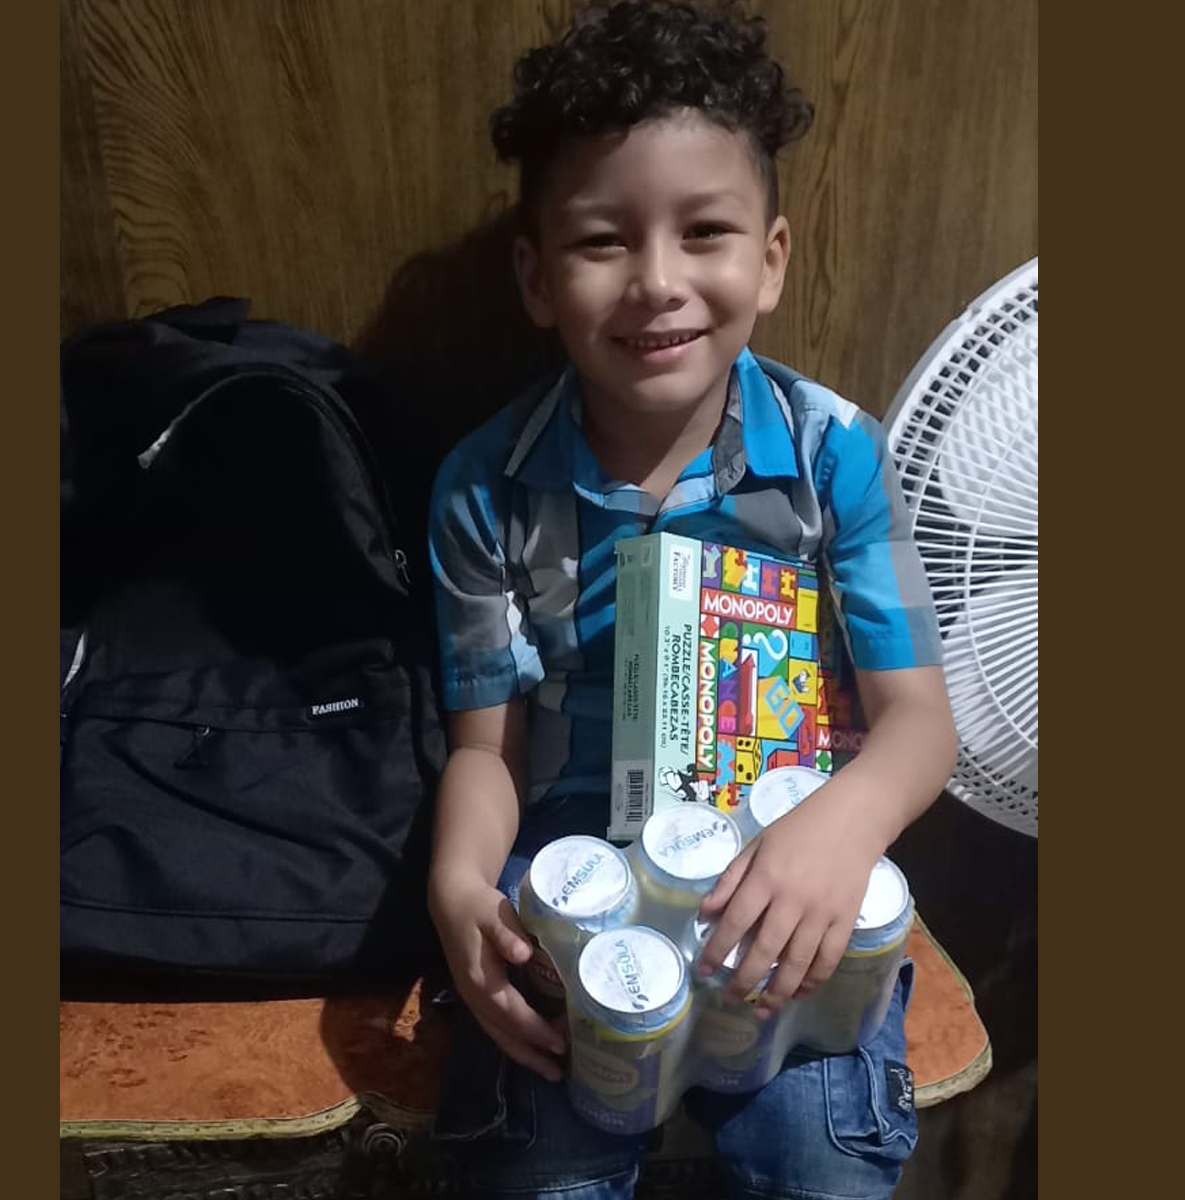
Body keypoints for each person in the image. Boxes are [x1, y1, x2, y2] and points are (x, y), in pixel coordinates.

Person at [424, 2, 957, 1196]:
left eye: (704, 231)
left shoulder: (835, 456)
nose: (657, 283)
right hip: (574, 883)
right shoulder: (483, 487)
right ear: (536, 276)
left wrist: (842, 826)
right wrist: (458, 889)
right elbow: (486, 749)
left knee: (820, 1154)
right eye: (602, 241)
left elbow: (920, 721)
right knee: (540, 1161)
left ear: (770, 258)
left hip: (784, 868)